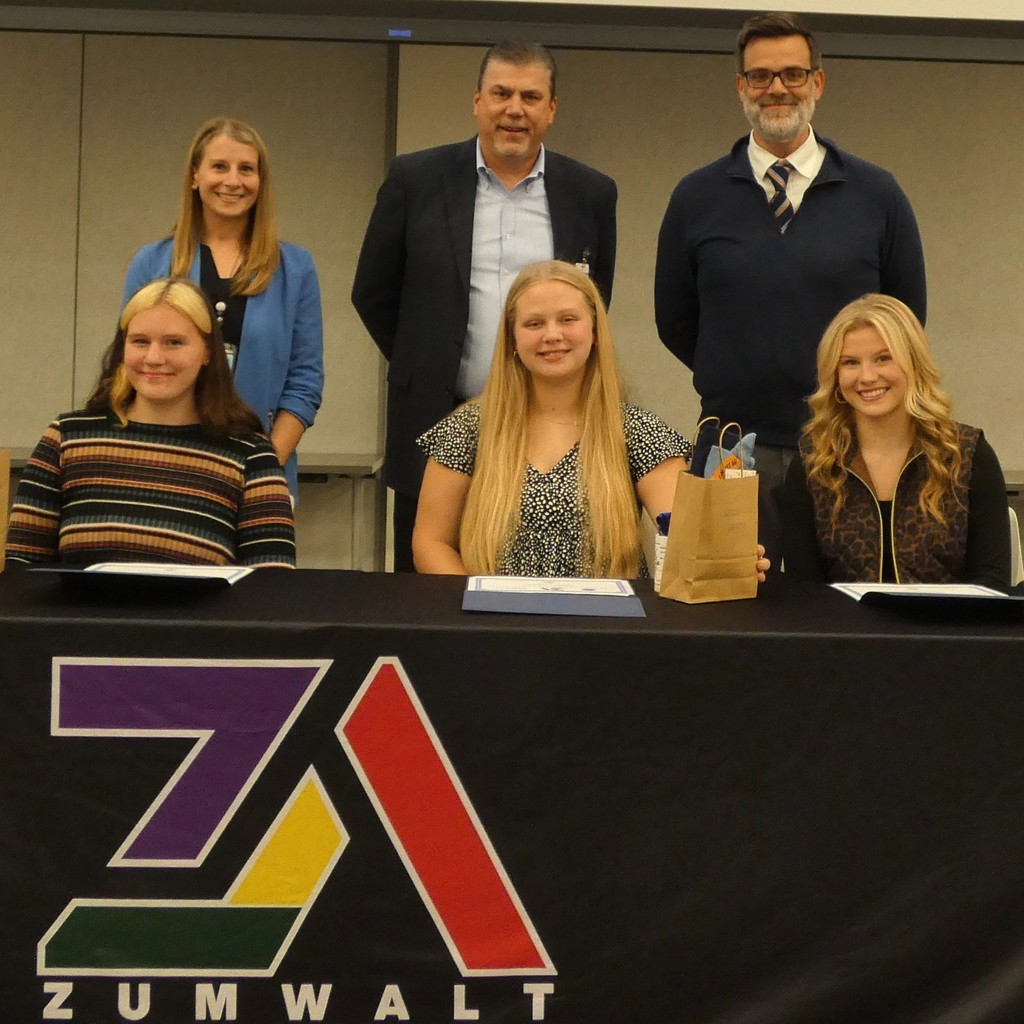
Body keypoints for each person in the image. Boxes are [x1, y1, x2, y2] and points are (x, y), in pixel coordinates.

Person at [654, 11, 926, 561]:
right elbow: (675, 320)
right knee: (728, 592)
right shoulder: (695, 197)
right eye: (760, 76)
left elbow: (905, 321)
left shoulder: (877, 194)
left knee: (839, 595)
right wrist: (740, 368)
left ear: (817, 82)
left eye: (793, 74)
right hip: (732, 444)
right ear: (741, 87)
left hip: (848, 444)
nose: (777, 88)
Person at [352, 40, 618, 572]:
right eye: (501, 94)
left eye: (530, 97)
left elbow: (592, 303)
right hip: (435, 417)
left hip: (546, 432)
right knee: (426, 588)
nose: (514, 109)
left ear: (551, 109)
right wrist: (427, 361)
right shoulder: (415, 179)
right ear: (477, 101)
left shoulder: (591, 192)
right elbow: (373, 292)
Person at [414, 260, 770, 581]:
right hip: (494, 624)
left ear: (596, 331)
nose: (552, 335)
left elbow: (685, 536)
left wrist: (722, 559)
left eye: (568, 319)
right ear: (513, 340)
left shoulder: (638, 431)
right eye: (534, 323)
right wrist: (476, 605)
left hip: (611, 627)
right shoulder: (467, 428)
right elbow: (431, 542)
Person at [6, 278, 296, 569]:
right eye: (140, 341)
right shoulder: (66, 439)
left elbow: (273, 585)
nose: (154, 358)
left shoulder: (251, 456)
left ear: (207, 352)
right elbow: (21, 568)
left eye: (174, 342)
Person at [122, 117, 323, 500]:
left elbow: (305, 381)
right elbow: (129, 364)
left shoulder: (296, 269)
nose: (233, 181)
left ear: (260, 182)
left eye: (246, 169)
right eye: (219, 166)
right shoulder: (151, 263)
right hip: (162, 468)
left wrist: (264, 466)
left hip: (259, 470)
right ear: (194, 176)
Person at [778, 294, 1009, 589]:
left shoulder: (968, 454)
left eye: (883, 358)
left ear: (914, 362)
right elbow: (803, 588)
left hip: (949, 621)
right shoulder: (813, 463)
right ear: (834, 374)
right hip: (840, 621)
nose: (867, 377)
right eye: (850, 362)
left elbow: (991, 584)